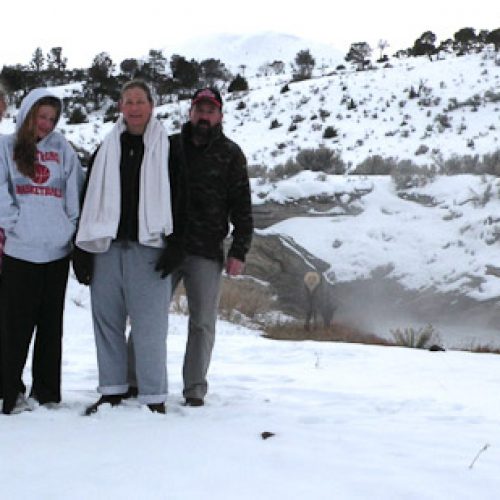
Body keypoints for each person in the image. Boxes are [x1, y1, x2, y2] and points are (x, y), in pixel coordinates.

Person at [72, 79, 182, 415]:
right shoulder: (106, 149)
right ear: (121, 107)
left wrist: (175, 245)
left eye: (140, 101)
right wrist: (83, 249)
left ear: (151, 106)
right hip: (107, 247)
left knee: (150, 327)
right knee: (107, 323)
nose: (134, 108)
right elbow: (88, 198)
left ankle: (153, 396)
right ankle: (111, 391)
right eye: (128, 101)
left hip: (149, 248)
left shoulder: (169, 150)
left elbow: (182, 197)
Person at [160, 87, 253, 407]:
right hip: (165, 247)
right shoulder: (168, 146)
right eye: (200, 110)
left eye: (211, 111)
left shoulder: (231, 154)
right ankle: (138, 382)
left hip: (206, 251)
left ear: (220, 116)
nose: (204, 116)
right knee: (150, 318)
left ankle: (194, 389)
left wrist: (239, 250)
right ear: (190, 112)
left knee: (202, 323)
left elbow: (242, 205)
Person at [0, 88, 83, 415]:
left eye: (51, 118)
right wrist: (14, 223)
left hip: (57, 251)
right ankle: (9, 391)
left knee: (51, 326)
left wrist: (69, 227)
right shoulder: (6, 147)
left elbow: (73, 190)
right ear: (27, 114)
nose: (46, 125)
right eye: (41, 117)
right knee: (14, 327)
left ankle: (47, 392)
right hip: (20, 250)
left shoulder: (62, 149)